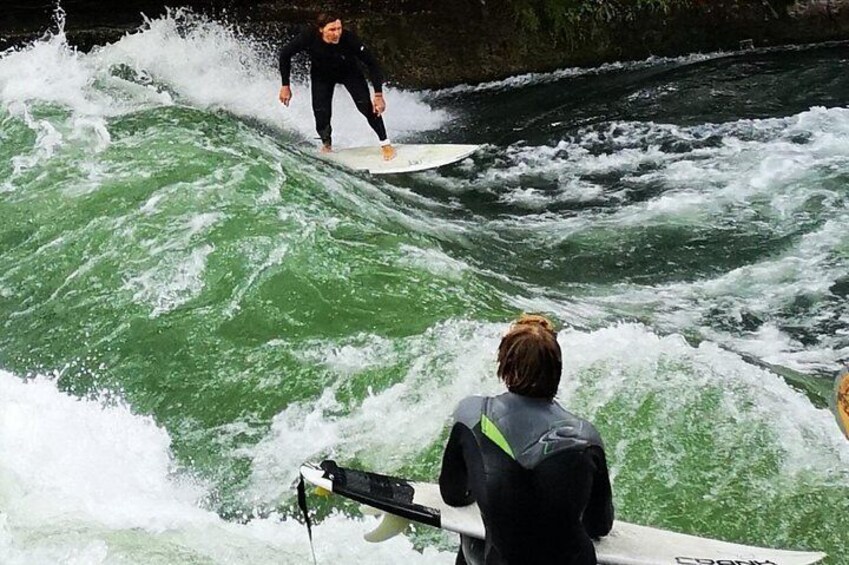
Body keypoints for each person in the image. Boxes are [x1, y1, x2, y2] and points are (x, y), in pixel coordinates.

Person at [439, 314, 614, 565]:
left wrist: (492, 493)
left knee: (471, 543)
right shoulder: (585, 437)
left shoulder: (472, 416)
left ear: (506, 365)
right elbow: (599, 525)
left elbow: (453, 494)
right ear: (557, 370)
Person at [277, 13, 396, 160]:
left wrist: (378, 95)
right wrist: (285, 85)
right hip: (322, 76)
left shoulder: (349, 39)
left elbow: (372, 63)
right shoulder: (309, 37)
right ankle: (327, 146)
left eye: (339, 28)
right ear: (321, 30)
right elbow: (285, 54)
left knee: (366, 107)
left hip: (349, 73)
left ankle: (386, 144)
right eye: (332, 30)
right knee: (321, 113)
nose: (337, 33)